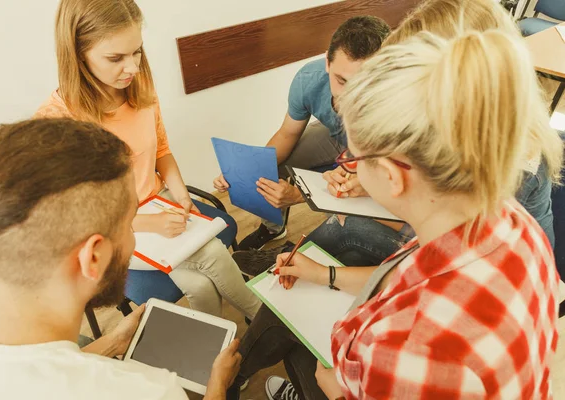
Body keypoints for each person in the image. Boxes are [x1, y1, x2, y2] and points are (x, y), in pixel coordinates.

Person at [228, 16, 563, 400]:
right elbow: (410, 273)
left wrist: (338, 391)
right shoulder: (510, 223)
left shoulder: (403, 349)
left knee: (304, 355)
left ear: (391, 175)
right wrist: (324, 275)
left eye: (351, 158)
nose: (344, 165)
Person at [232, 0, 559, 282]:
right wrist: (358, 184)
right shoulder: (459, 122)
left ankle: (290, 264)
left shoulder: (502, 167)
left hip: (484, 270)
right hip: (460, 253)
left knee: (344, 228)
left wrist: (334, 201)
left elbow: (429, 246)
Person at [0, 118, 242, 400]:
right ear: (93, 258)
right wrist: (217, 386)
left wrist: (111, 343)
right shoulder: (150, 391)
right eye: (130, 223)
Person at [35, 0, 261, 319]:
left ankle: (217, 355)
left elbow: (162, 150)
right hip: (112, 231)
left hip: (160, 202)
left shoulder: (137, 85)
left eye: (137, 51)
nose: (133, 67)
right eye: (115, 58)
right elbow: (69, 217)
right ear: (78, 54)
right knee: (212, 254)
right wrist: (148, 223)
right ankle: (270, 325)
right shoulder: (55, 122)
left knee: (198, 285)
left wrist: (182, 197)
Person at [213, 16, 391, 250]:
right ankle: (274, 228)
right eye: (341, 80)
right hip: (335, 136)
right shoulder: (309, 78)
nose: (350, 95)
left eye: (363, 84)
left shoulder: (398, 103)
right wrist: (241, 171)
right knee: (267, 168)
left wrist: (299, 195)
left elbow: (378, 180)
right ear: (327, 62)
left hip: (380, 154)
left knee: (353, 216)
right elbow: (287, 134)